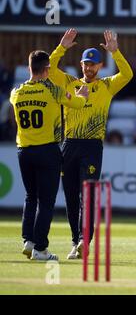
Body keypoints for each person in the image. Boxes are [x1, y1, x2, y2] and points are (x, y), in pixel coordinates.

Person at [48, 28, 133, 260]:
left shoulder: (106, 85)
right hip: (69, 145)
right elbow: (50, 70)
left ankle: (86, 239)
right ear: (81, 64)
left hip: (92, 147)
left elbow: (127, 75)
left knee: (89, 195)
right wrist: (61, 47)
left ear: (100, 67)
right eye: (86, 64)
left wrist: (116, 53)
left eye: (93, 65)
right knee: (71, 197)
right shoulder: (69, 83)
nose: (89, 68)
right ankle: (76, 242)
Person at [10, 50, 88, 261]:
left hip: (23, 151)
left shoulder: (16, 92)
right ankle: (40, 249)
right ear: (47, 70)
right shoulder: (53, 90)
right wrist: (83, 95)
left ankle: (28, 240)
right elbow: (78, 104)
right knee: (46, 201)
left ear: (29, 69)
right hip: (47, 151)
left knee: (30, 197)